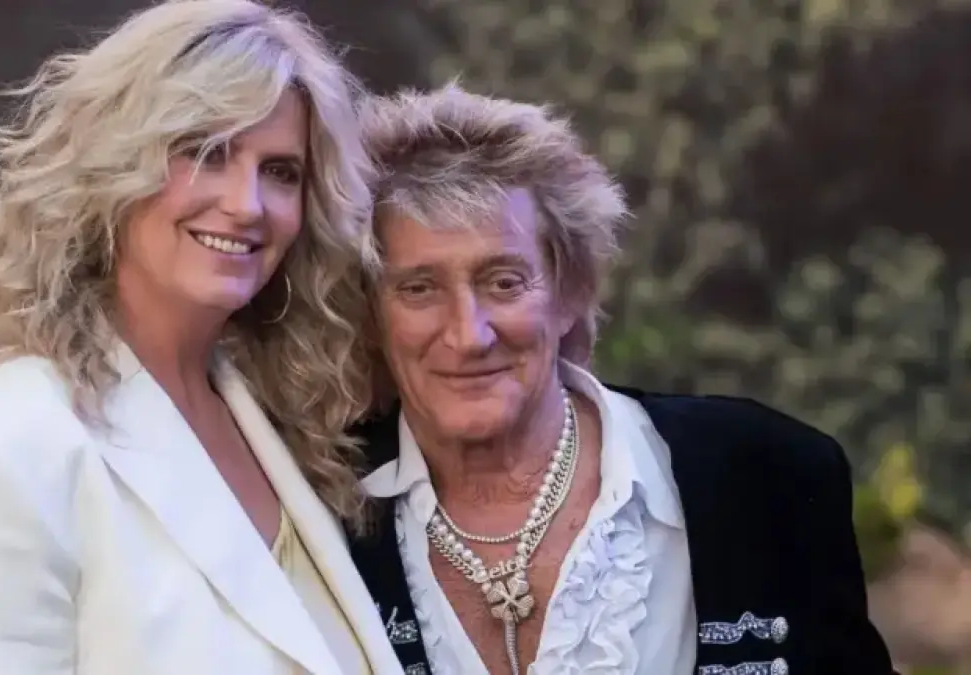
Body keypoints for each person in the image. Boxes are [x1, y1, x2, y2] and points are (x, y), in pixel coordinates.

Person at [0, 2, 405, 673]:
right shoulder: (11, 436)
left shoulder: (284, 430)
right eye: (207, 152)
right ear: (113, 165)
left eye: (281, 171)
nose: (246, 204)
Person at [342, 84, 897, 675]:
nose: (468, 334)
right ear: (371, 315)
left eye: (504, 282)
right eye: (419, 288)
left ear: (570, 291)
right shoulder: (316, 506)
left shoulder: (769, 475)